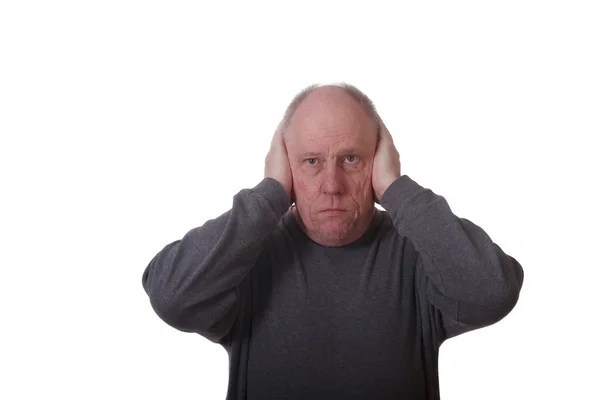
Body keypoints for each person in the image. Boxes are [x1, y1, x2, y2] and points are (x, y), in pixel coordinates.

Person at [141, 83, 524, 400]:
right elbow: (173, 298)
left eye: (351, 159)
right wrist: (269, 195)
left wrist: (397, 190)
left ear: (378, 160)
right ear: (284, 163)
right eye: (311, 161)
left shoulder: (420, 251)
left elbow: (491, 293)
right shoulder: (247, 255)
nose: (331, 186)